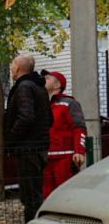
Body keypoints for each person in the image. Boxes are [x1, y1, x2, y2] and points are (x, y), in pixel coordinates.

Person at [4, 55, 52, 223]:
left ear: (17, 68)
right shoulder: (40, 88)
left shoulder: (24, 87)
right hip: (39, 148)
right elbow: (49, 118)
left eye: (12, 65)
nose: (11, 69)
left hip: (28, 150)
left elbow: (26, 117)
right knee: (35, 195)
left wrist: (10, 139)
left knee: (30, 198)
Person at [42, 70, 87, 198]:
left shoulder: (69, 103)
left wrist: (79, 151)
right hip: (45, 159)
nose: (44, 79)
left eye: (48, 78)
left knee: (66, 196)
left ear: (57, 85)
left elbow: (79, 127)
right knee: (47, 197)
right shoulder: (41, 104)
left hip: (64, 159)